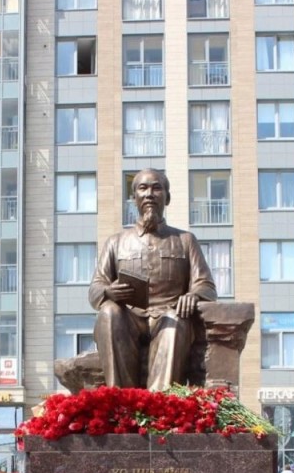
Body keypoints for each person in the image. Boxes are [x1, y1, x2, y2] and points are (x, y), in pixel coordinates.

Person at [88, 167, 217, 390]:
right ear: (134, 197)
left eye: (157, 188)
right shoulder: (116, 242)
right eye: (143, 188)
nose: (149, 194)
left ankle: (158, 408)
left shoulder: (185, 240)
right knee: (108, 312)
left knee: (176, 319)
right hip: (128, 319)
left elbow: (206, 285)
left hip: (168, 315)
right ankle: (121, 401)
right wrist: (108, 292)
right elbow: (96, 288)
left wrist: (193, 295)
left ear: (167, 197)